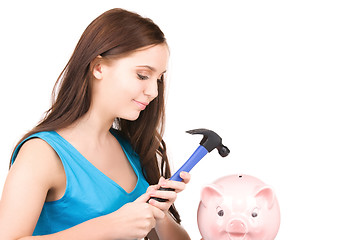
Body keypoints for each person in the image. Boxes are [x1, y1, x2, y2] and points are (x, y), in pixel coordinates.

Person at [0, 8, 191, 240]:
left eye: (158, 79)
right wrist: (108, 227)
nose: (152, 92)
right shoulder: (42, 153)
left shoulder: (130, 149)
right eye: (142, 75)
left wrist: (158, 212)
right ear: (98, 67)